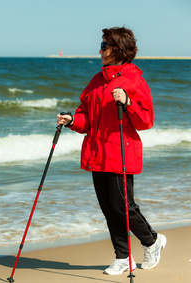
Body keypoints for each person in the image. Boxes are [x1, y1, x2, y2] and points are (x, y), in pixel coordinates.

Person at [57, 27, 166, 275]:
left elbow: (146, 121)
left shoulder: (134, 81)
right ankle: (122, 257)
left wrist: (128, 103)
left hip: (120, 153)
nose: (100, 50)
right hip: (97, 152)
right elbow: (86, 116)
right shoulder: (97, 80)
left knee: (123, 206)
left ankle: (152, 241)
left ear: (118, 49)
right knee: (108, 208)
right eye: (102, 45)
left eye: (104, 45)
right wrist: (72, 120)